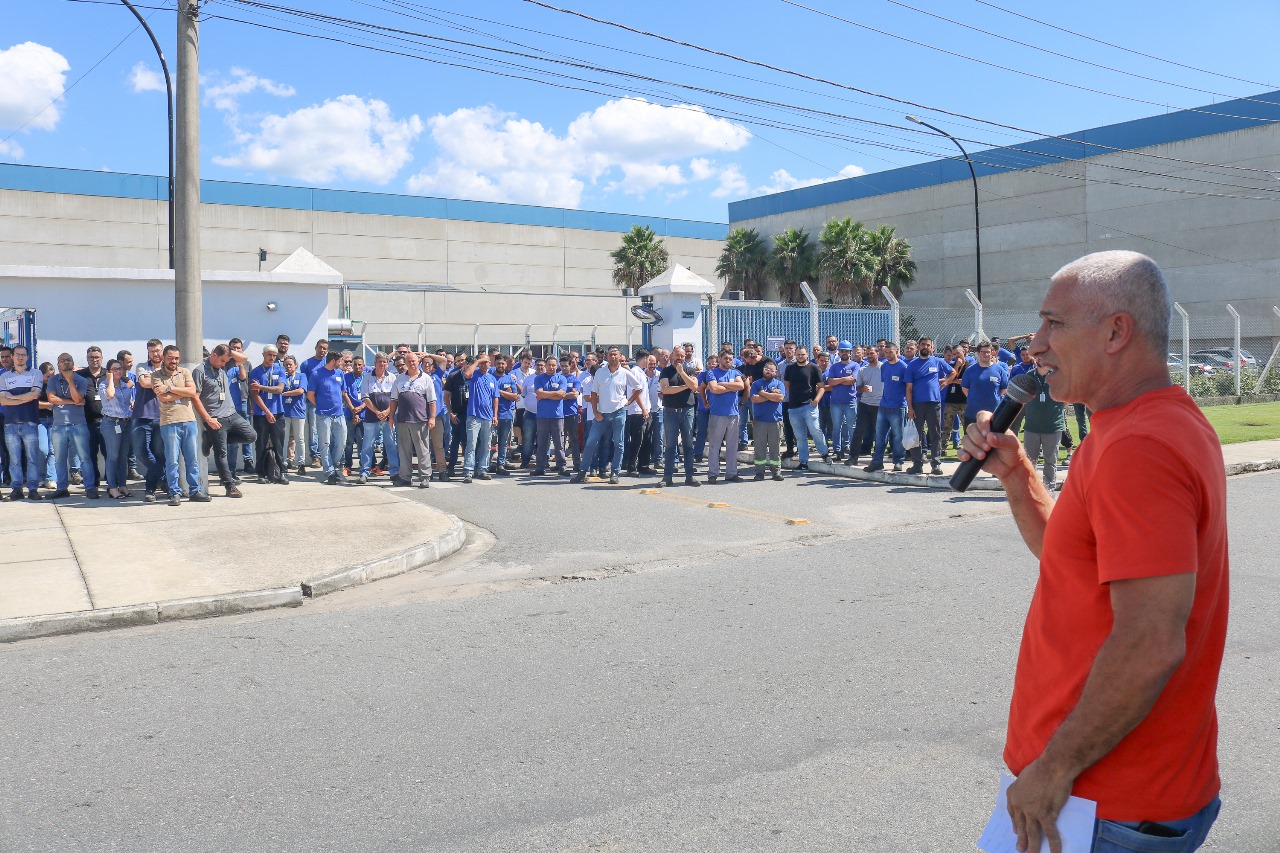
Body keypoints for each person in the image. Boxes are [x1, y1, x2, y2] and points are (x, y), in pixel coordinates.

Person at [960, 251, 1227, 852]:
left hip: (1101, 804)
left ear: (1115, 331)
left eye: (1054, 323)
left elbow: (1150, 642)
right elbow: (1074, 563)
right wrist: (1019, 478)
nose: (1034, 345)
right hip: (1106, 798)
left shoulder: (1140, 446)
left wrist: (1053, 769)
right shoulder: (1144, 424)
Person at [149, 345, 212, 505]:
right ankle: (174, 493)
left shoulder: (184, 372)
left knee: (192, 459)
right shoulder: (156, 375)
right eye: (170, 358)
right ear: (163, 358)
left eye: (176, 358)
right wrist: (181, 391)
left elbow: (192, 392)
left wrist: (170, 388)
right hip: (170, 423)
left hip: (189, 421)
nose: (174, 361)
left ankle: (195, 491)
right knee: (172, 460)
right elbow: (163, 398)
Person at [197, 344, 258, 498]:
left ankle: (210, 438)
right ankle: (229, 486)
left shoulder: (224, 364)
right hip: (216, 418)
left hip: (232, 413)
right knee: (221, 453)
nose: (224, 364)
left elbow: (244, 358)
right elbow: (195, 398)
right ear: (213, 355)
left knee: (251, 436)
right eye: (222, 360)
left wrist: (229, 352)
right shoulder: (199, 371)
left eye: (226, 361)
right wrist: (208, 419)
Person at [574, 346, 642, 485]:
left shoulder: (625, 373)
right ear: (607, 357)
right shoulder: (600, 373)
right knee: (590, 442)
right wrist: (596, 412)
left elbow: (638, 388)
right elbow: (593, 394)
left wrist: (628, 402)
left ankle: (615, 473)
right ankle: (582, 472)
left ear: (619, 356)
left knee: (619, 443)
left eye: (615, 354)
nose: (613, 357)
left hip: (618, 412)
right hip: (602, 414)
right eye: (611, 354)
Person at [0, 344, 47, 500]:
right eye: (17, 354)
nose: (20, 357)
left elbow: (35, 395)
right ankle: (17, 488)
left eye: (23, 355)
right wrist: (24, 397)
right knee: (14, 459)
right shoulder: (4, 377)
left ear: (27, 357)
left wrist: (12, 397)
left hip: (30, 422)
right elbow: (2, 401)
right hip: (10, 423)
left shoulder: (36, 373)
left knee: (32, 457)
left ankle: (33, 489)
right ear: (12, 357)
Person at [46, 353, 96, 499]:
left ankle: (90, 488)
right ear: (58, 365)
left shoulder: (80, 380)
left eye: (68, 360)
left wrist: (70, 381)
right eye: (62, 361)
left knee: (85, 458)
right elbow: (51, 398)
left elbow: (78, 397)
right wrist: (72, 402)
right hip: (59, 425)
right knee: (59, 459)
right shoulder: (53, 380)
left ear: (72, 363)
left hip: (78, 424)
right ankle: (62, 488)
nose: (65, 363)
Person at [905, 337, 957, 476]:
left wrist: (946, 382)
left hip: (934, 403)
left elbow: (953, 372)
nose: (925, 347)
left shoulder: (938, 361)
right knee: (916, 435)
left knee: (935, 434)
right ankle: (917, 464)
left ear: (932, 347)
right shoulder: (912, 365)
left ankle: (936, 464)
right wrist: (910, 407)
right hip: (917, 404)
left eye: (928, 345)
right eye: (923, 344)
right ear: (918, 347)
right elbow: (908, 388)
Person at [388, 351, 437, 488]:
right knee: (404, 450)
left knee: (423, 450)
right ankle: (405, 477)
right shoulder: (399, 379)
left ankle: (425, 476)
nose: (411, 363)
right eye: (408, 361)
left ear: (418, 362)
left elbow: (432, 401)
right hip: (403, 420)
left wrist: (432, 417)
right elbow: (393, 400)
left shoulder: (426, 378)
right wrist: (391, 417)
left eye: (413, 361)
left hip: (420, 420)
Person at [657, 344, 699, 487]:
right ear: (672, 357)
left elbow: (695, 387)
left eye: (682, 355)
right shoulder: (666, 372)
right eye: (677, 355)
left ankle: (689, 476)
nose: (680, 358)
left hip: (687, 412)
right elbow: (666, 390)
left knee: (688, 445)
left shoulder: (689, 370)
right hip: (670, 412)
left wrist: (682, 374)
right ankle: (667, 477)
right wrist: (685, 386)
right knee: (670, 445)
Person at [132, 339, 167, 501]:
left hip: (163, 417)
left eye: (158, 350)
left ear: (162, 351)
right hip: (142, 416)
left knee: (160, 454)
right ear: (148, 352)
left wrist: (154, 379)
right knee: (141, 452)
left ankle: (150, 490)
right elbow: (144, 382)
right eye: (152, 351)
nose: (156, 354)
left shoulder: (168, 368)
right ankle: (164, 478)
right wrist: (160, 382)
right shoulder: (141, 366)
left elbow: (162, 384)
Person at [865, 341, 908, 473]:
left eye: (891, 352)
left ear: (897, 351)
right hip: (883, 406)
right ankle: (877, 461)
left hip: (898, 407)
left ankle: (898, 461)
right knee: (880, 435)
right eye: (886, 352)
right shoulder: (884, 367)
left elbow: (908, 387)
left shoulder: (903, 367)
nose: (888, 354)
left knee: (898, 436)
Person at [1020, 365, 1065, 490]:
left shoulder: (1057, 375)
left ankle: (1049, 488)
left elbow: (1065, 399)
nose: (1039, 359)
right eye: (1037, 356)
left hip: (1053, 426)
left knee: (1050, 460)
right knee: (1029, 461)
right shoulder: (1029, 375)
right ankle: (1030, 488)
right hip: (1032, 426)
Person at [783, 346, 827, 470]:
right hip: (794, 407)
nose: (800, 356)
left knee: (815, 430)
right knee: (800, 436)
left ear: (807, 354)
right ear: (795, 355)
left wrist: (816, 400)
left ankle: (824, 453)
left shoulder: (814, 368)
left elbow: (822, 386)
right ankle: (803, 461)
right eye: (798, 354)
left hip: (809, 405)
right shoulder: (790, 368)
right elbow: (787, 385)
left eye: (802, 354)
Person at [704, 351, 745, 483]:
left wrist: (723, 384)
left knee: (732, 446)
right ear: (720, 359)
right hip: (717, 414)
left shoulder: (735, 373)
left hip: (733, 414)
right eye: (726, 358)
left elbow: (741, 386)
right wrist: (731, 388)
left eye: (731, 359)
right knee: (714, 446)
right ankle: (713, 473)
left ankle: (731, 473)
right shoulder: (711, 373)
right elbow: (714, 389)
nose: (728, 361)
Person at [307, 350, 347, 485]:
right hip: (323, 416)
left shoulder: (340, 373)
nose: (341, 363)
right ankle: (330, 472)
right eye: (340, 361)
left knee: (341, 443)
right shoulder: (316, 374)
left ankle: (334, 467)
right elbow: (310, 394)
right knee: (325, 444)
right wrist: (319, 405)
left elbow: (342, 391)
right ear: (333, 360)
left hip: (339, 415)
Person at [250, 345, 288, 485]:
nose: (272, 358)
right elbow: (255, 395)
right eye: (269, 355)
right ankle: (260, 473)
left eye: (274, 355)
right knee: (260, 443)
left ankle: (282, 472)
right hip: (261, 413)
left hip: (278, 412)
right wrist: (266, 411)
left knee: (279, 443)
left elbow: (279, 389)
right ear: (263, 355)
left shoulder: (280, 369)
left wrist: (261, 387)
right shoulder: (255, 372)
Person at [357, 353, 397, 485]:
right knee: (367, 445)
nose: (382, 364)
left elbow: (395, 398)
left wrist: (386, 412)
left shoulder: (392, 377)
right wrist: (377, 411)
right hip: (371, 417)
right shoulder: (368, 377)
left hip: (388, 417)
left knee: (391, 445)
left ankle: (394, 472)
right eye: (380, 361)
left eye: (385, 362)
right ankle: (364, 472)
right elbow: (365, 397)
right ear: (375, 362)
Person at [73, 345, 108, 492]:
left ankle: (111, 483)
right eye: (91, 357)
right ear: (87, 359)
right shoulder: (80, 375)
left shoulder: (109, 374)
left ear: (102, 358)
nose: (94, 360)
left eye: (97, 357)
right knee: (90, 455)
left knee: (109, 454)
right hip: (87, 422)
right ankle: (93, 482)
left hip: (107, 422)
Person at [462, 353, 500, 484]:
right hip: (474, 415)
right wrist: (477, 361)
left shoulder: (492, 379)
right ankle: (468, 471)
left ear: (490, 363)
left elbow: (495, 398)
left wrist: (495, 415)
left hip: (488, 416)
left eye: (486, 362)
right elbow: (467, 374)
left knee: (486, 445)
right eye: (482, 362)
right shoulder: (474, 375)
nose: (484, 364)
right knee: (471, 444)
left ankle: (482, 469)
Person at [749, 359, 785, 481]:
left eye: (771, 370)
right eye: (766, 370)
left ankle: (776, 472)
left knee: (775, 447)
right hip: (760, 421)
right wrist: (771, 395)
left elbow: (779, 397)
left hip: (775, 420)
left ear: (776, 372)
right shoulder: (756, 384)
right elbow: (754, 399)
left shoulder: (779, 384)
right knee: (759, 447)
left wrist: (764, 393)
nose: (769, 372)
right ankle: (759, 472)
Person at [961, 341, 1010, 430]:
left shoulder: (999, 370)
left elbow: (1004, 389)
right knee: (973, 441)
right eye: (983, 352)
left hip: (993, 413)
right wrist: (975, 397)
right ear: (978, 353)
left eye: (988, 352)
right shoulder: (970, 370)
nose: (985, 354)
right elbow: (965, 389)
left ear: (992, 353)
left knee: (993, 441)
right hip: (973, 413)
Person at [847, 344, 882, 466]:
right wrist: (863, 388)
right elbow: (858, 388)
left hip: (880, 405)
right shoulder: (863, 370)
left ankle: (878, 458)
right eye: (867, 354)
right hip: (865, 404)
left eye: (872, 353)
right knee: (859, 430)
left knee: (880, 432)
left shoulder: (884, 368)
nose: (869, 356)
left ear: (877, 353)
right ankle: (853, 456)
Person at [825, 340, 859, 461]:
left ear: (850, 352)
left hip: (850, 401)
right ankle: (837, 451)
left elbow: (853, 380)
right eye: (842, 351)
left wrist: (837, 380)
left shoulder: (855, 365)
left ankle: (853, 451)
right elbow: (830, 382)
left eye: (846, 351)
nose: (844, 353)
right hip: (836, 402)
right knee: (836, 427)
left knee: (851, 427)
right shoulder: (834, 366)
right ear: (839, 352)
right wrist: (844, 379)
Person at [300, 339, 330, 467]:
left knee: (327, 429)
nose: (322, 350)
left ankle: (327, 456)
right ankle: (316, 456)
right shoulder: (306, 364)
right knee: (314, 430)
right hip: (312, 402)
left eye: (325, 348)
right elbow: (305, 385)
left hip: (327, 402)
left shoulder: (329, 363)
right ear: (316, 347)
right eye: (320, 347)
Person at [622, 349, 651, 476]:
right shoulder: (635, 372)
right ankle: (631, 466)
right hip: (637, 411)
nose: (649, 362)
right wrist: (643, 409)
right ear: (645, 358)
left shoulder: (641, 372)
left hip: (644, 410)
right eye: (648, 359)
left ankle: (643, 465)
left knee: (645, 440)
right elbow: (636, 392)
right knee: (637, 440)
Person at [279, 355, 308, 473]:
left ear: (295, 365)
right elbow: (278, 389)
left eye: (290, 364)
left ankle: (301, 463)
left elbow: (300, 391)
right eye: (286, 364)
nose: (288, 366)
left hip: (298, 411)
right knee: (284, 438)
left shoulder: (302, 376)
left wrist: (285, 394)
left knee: (299, 437)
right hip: (285, 411)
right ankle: (284, 463)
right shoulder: (282, 377)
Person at [494, 355, 522, 475]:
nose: (500, 366)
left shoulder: (510, 379)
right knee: (490, 441)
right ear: (494, 364)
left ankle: (501, 464)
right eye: (498, 363)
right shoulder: (490, 378)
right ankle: (489, 463)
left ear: (506, 365)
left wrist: (499, 391)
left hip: (506, 414)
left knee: (503, 441)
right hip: (492, 414)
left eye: (503, 364)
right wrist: (506, 393)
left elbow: (515, 397)